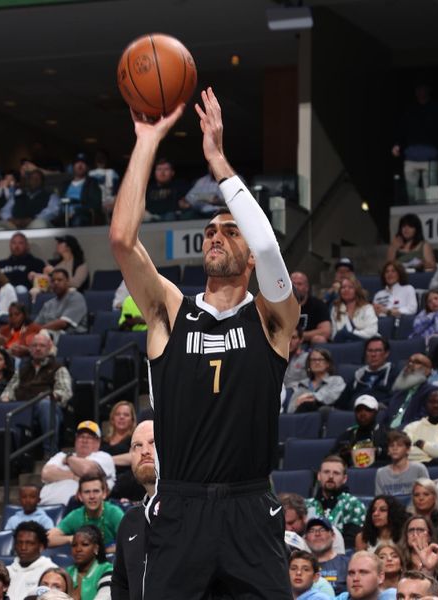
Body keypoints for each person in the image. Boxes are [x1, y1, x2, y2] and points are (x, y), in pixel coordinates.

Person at [109, 88, 300, 599]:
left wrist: (217, 161)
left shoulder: (272, 319)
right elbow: (123, 241)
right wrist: (147, 141)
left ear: (250, 256)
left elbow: (267, 244)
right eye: (211, 230)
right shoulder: (171, 312)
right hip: (181, 504)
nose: (216, 235)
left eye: (229, 231)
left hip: (249, 505)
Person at [1, 333, 73, 454]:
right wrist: (5, 398)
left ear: (49, 348)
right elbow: (9, 390)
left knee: (45, 405)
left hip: (48, 408)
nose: (38, 349)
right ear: (29, 349)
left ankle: (49, 453)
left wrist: (49, 396)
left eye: (42, 346)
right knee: (1, 406)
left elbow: (65, 392)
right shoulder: (23, 369)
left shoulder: (58, 368)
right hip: (23, 407)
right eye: (34, 346)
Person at [111, 420, 156, 600]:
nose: (144, 451)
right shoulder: (129, 520)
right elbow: (121, 583)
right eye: (137, 445)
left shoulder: (194, 510)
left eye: (153, 443)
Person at [40, 420, 115, 506]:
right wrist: (73, 476)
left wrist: (68, 459)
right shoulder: (60, 456)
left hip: (78, 509)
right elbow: (45, 474)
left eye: (89, 437)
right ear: (76, 440)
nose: (84, 440)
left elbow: (86, 471)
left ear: (97, 442)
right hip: (44, 506)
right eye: (81, 436)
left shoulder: (104, 457)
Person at [391, 82, 438, 202]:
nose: (420, 92)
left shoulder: (436, 109)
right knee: (412, 198)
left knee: (433, 199)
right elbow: (402, 129)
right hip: (411, 158)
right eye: (418, 89)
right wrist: (397, 145)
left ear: (428, 90)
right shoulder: (410, 110)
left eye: (422, 89)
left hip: (431, 159)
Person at [47, 473, 124, 551]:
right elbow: (48, 539)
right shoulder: (75, 515)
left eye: (96, 491)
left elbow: (131, 540)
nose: (92, 496)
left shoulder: (114, 513)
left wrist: (104, 551)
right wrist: (71, 538)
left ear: (104, 494)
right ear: (80, 496)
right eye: (87, 492)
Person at [306, 456, 367, 548]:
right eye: (326, 472)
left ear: (344, 478)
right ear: (319, 476)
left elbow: (351, 543)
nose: (330, 476)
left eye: (336, 473)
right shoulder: (306, 505)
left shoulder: (353, 505)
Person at [329, 394, 389, 468]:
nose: (362, 413)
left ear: (375, 412)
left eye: (368, 410)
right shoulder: (347, 435)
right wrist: (341, 455)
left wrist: (379, 451)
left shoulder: (387, 433)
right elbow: (329, 458)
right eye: (359, 410)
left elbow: (396, 455)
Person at [379, 353, 436, 429]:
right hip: (388, 434)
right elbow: (387, 413)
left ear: (427, 371)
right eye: (409, 361)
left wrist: (399, 430)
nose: (410, 364)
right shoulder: (399, 391)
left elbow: (422, 420)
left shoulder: (432, 392)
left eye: (417, 362)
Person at [7, 522, 57, 600]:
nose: (23, 547)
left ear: (41, 546)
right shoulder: (6, 571)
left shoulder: (51, 572)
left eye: (29, 543)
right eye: (19, 542)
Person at [30, 236, 89, 300]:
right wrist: (35, 276)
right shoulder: (54, 263)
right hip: (52, 293)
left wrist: (55, 272)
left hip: (71, 296)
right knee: (35, 291)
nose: (57, 244)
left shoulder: (80, 264)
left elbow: (76, 283)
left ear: (69, 247)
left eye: (60, 243)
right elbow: (46, 281)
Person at [286, 349, 346, 413]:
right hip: (302, 416)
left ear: (327, 364)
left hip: (324, 414)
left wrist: (311, 396)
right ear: (309, 364)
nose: (317, 362)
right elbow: (290, 410)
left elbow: (332, 397)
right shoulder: (302, 384)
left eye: (320, 359)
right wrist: (296, 405)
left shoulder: (336, 380)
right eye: (313, 360)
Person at [32, 269, 89, 336]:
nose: (56, 283)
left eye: (59, 280)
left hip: (71, 337)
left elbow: (63, 323)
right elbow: (36, 324)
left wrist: (39, 330)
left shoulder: (76, 297)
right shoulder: (49, 303)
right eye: (53, 281)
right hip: (48, 335)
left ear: (67, 281)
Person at [351, 337, 401, 407]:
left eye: (378, 351)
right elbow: (343, 400)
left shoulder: (393, 373)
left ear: (386, 353)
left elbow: (396, 398)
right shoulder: (358, 374)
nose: (373, 355)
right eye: (370, 351)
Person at [304, 517, 349, 595]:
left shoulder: (347, 563)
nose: (317, 534)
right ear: (305, 538)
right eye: (312, 531)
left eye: (322, 530)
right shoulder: (299, 566)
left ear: (333, 535)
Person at [66, 525, 113, 600]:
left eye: (85, 544)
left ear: (96, 548)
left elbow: (105, 597)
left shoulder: (108, 570)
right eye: (74, 545)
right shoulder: (67, 572)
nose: (78, 549)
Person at [375, 431, 429, 495]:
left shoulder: (419, 469)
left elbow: (427, 495)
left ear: (408, 450)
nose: (395, 448)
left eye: (399, 445)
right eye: (391, 446)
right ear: (388, 451)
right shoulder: (381, 473)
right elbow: (379, 500)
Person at [329, 274, 378, 342]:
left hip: (366, 342)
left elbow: (372, 331)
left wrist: (350, 334)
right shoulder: (335, 309)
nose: (346, 290)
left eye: (350, 287)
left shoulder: (367, 308)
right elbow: (334, 334)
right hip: (344, 344)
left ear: (356, 290)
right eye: (343, 287)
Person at [292, 271, 332, 344]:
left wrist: (298, 336)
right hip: (286, 344)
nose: (296, 287)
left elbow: (326, 331)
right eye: (293, 283)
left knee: (319, 339)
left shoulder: (318, 305)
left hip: (309, 345)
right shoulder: (282, 306)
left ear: (307, 287)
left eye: (299, 284)